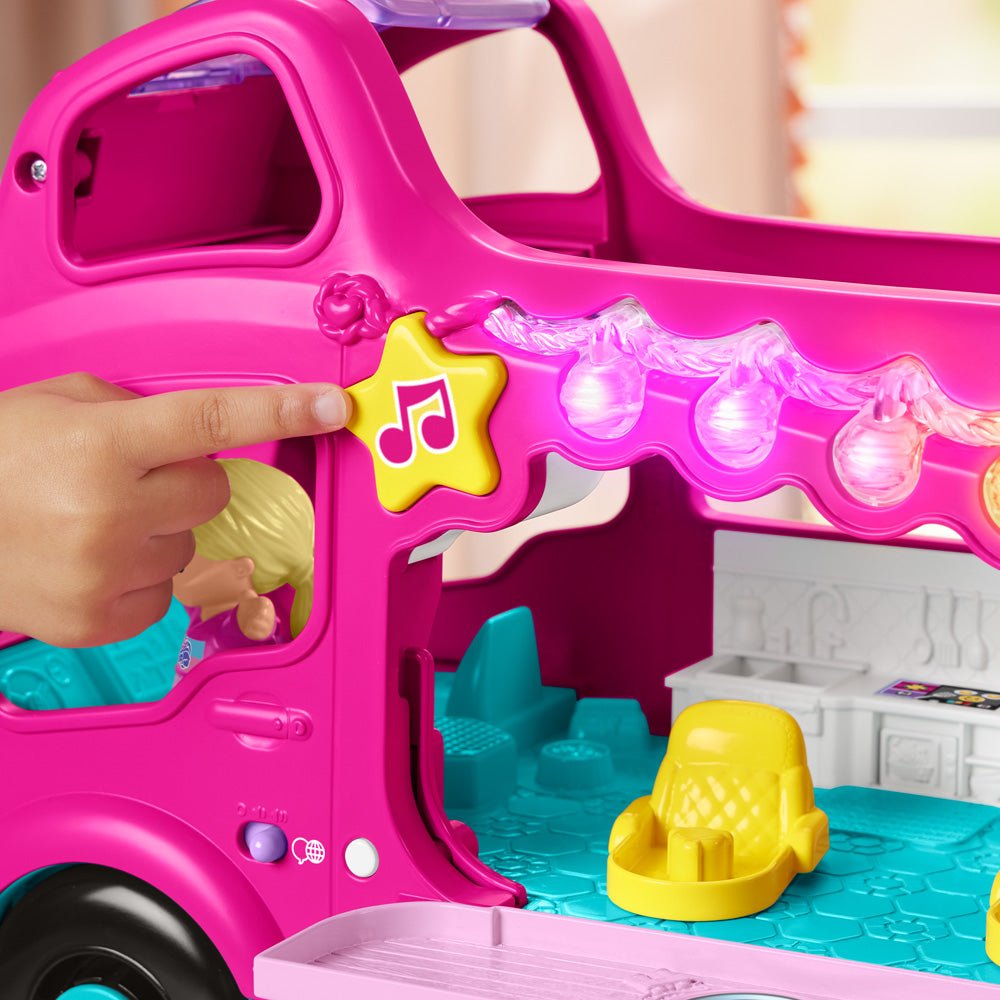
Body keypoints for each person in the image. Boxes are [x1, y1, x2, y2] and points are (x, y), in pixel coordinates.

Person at [0, 374, 349, 647]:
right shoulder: (206, 617)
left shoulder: (241, 618)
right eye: (181, 562)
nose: (165, 568)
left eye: (182, 562)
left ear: (242, 569)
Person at [171, 458, 315, 681]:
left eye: (183, 563)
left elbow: (243, 636)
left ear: (240, 569)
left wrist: (250, 625)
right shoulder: (202, 608)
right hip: (186, 694)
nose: (169, 566)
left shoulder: (238, 626)